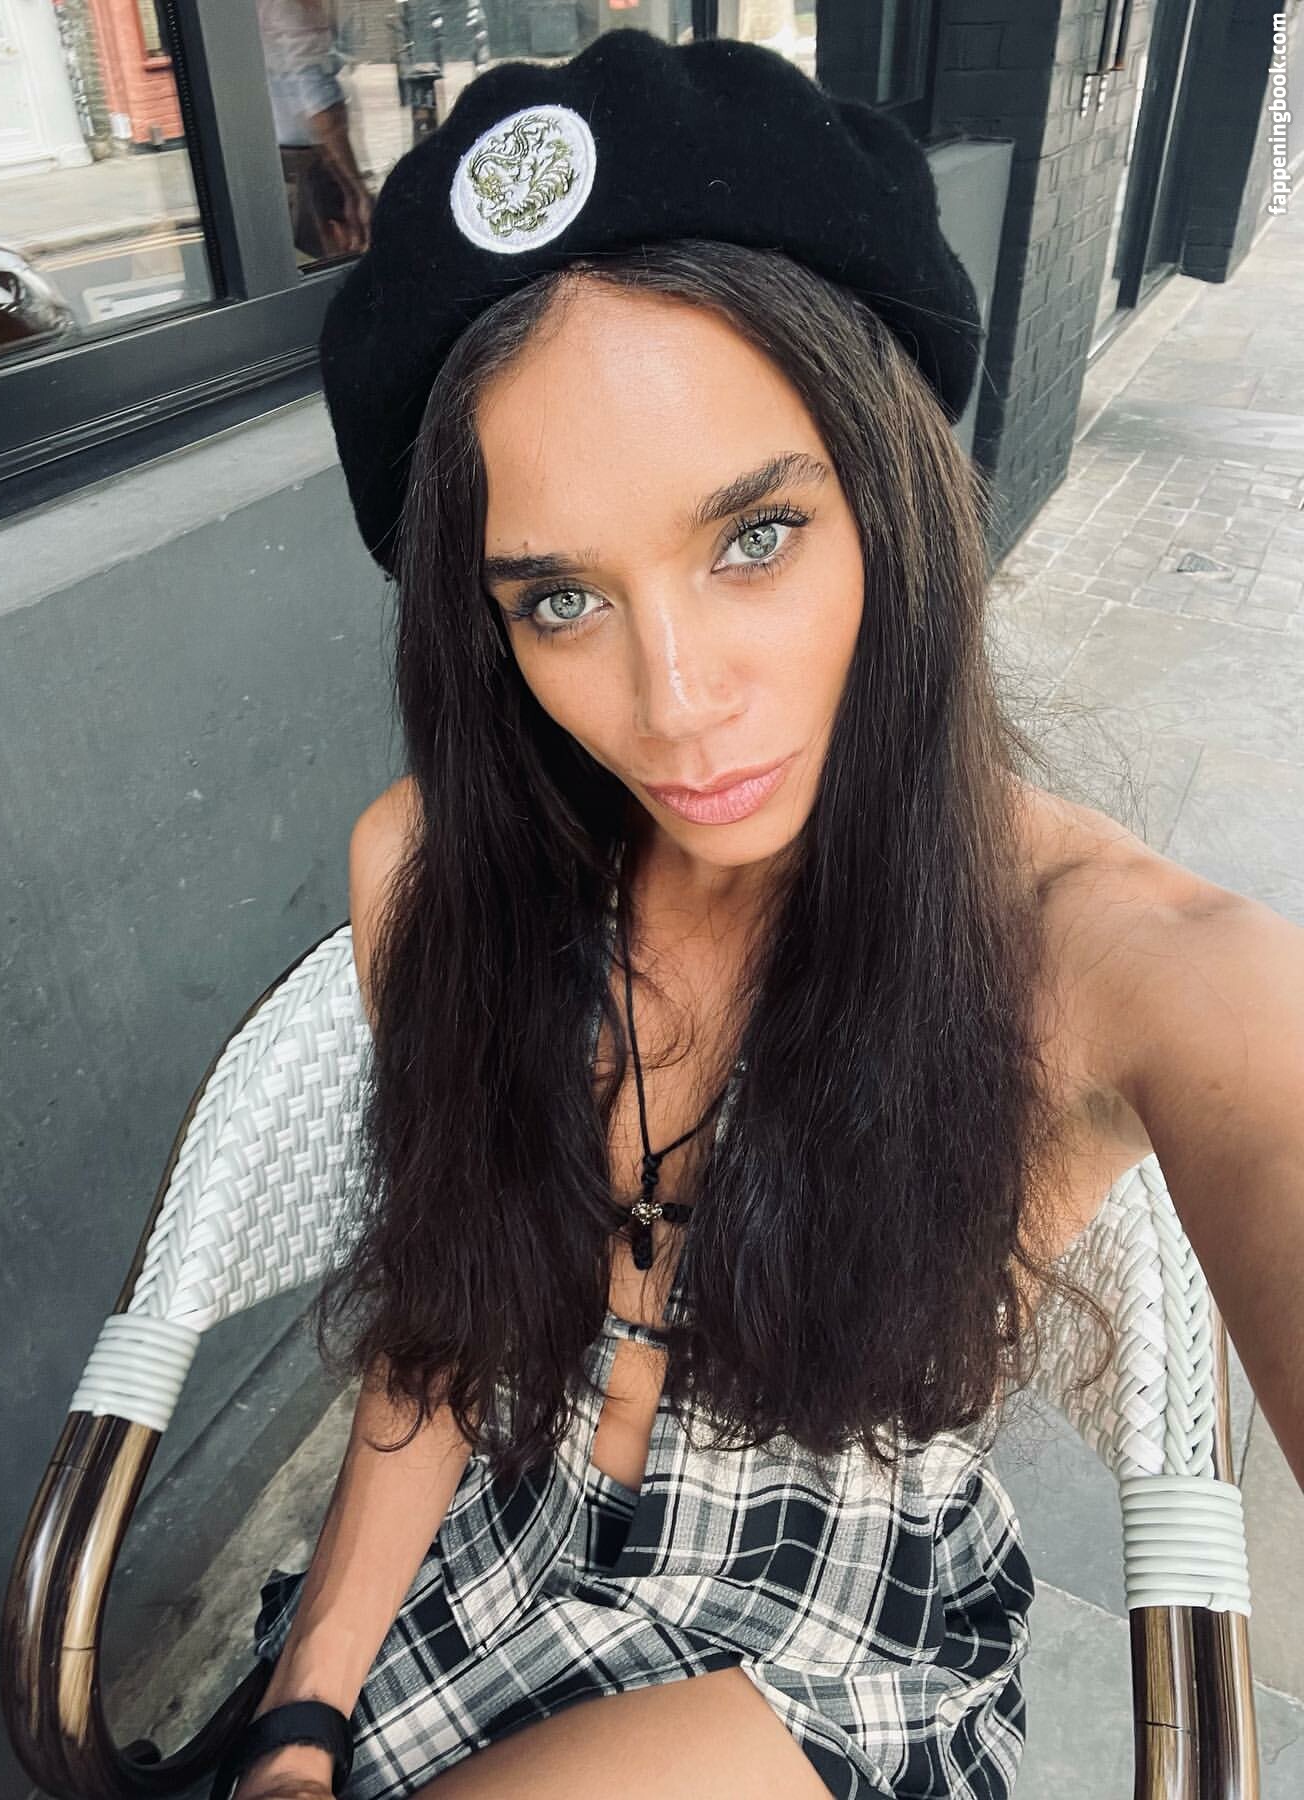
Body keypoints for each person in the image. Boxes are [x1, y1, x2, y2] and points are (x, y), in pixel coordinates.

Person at [212, 29, 1304, 1800]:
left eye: (754, 540)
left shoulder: (1103, 953)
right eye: (560, 599)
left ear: (891, 494)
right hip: (481, 1580)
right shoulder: (435, 876)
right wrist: (299, 1718)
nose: (678, 704)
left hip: (817, 1656)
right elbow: (445, 1329)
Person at [254, 0, 373, 260]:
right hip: (309, 158)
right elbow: (316, 98)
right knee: (339, 260)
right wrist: (355, 190)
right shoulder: (290, 7)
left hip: (291, 152)